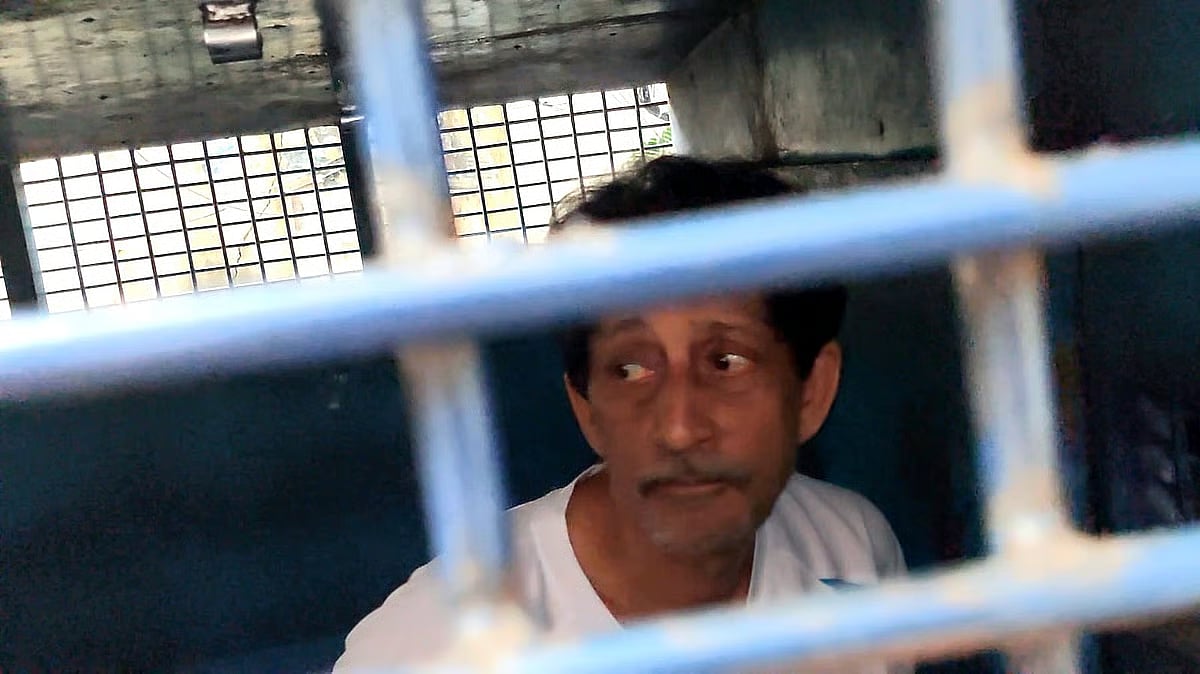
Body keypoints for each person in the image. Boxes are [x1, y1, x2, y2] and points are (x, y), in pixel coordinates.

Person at [334, 156, 906, 673]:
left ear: (812, 392)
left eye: (727, 362)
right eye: (630, 370)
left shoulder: (852, 551)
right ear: (586, 408)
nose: (679, 427)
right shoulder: (438, 644)